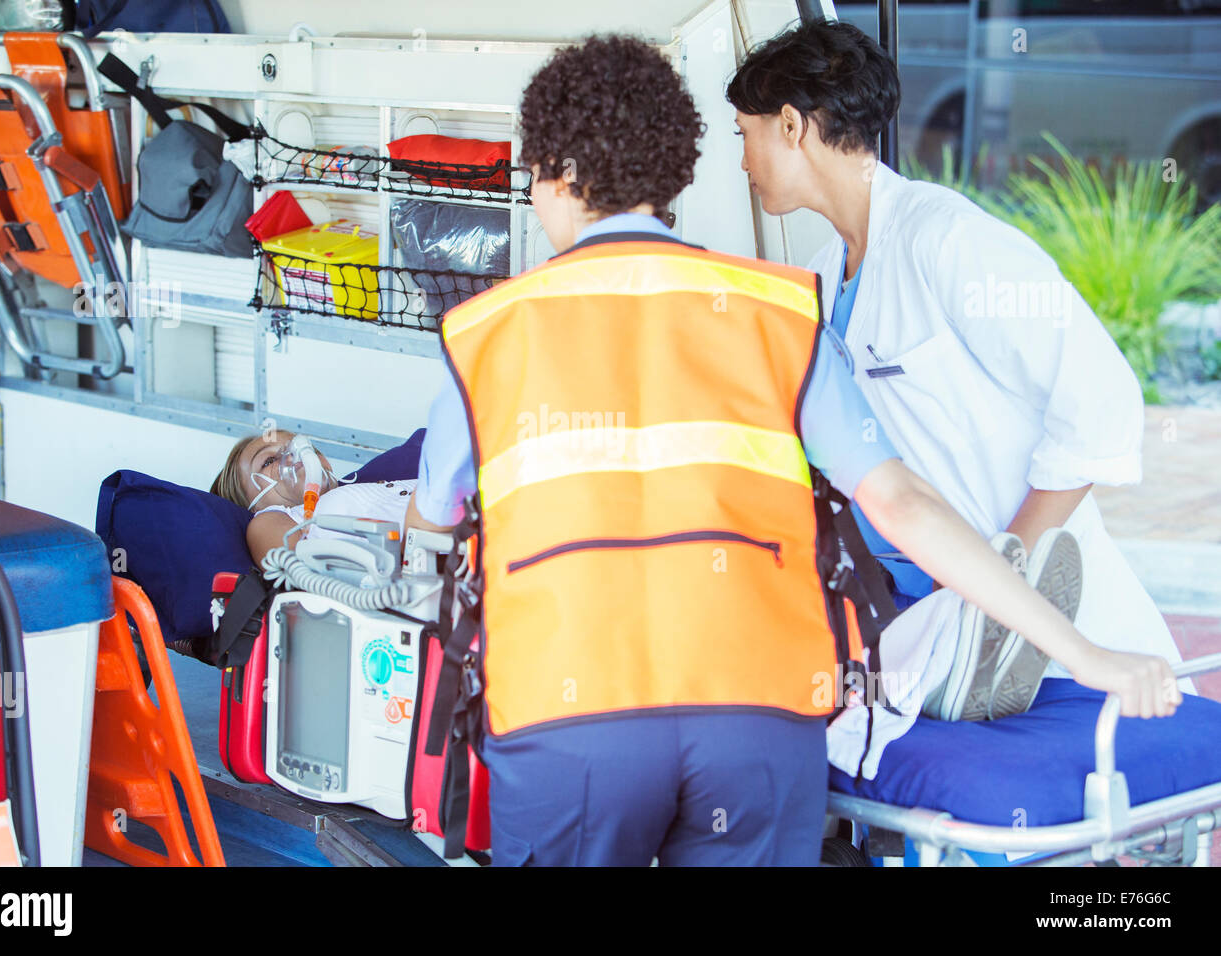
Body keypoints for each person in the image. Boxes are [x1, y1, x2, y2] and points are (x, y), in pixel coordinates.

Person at [404, 34, 1178, 867]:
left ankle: (963, 646)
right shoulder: (781, 310)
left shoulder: (488, 334)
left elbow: (431, 524)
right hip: (758, 719)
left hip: (575, 716)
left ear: (556, 170)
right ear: (672, 166)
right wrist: (1085, 654)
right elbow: (905, 502)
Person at [725, 18, 1188, 776]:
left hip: (1010, 602)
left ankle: (993, 634)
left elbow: (1102, 398)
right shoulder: (822, 274)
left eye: (745, 135)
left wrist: (1012, 574)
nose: (740, 160)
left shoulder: (948, 240)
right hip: (911, 604)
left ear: (791, 126)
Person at [211, 430, 415, 565]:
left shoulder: (363, 488)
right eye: (270, 460)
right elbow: (300, 573)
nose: (294, 455)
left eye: (303, 448)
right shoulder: (269, 521)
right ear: (251, 504)